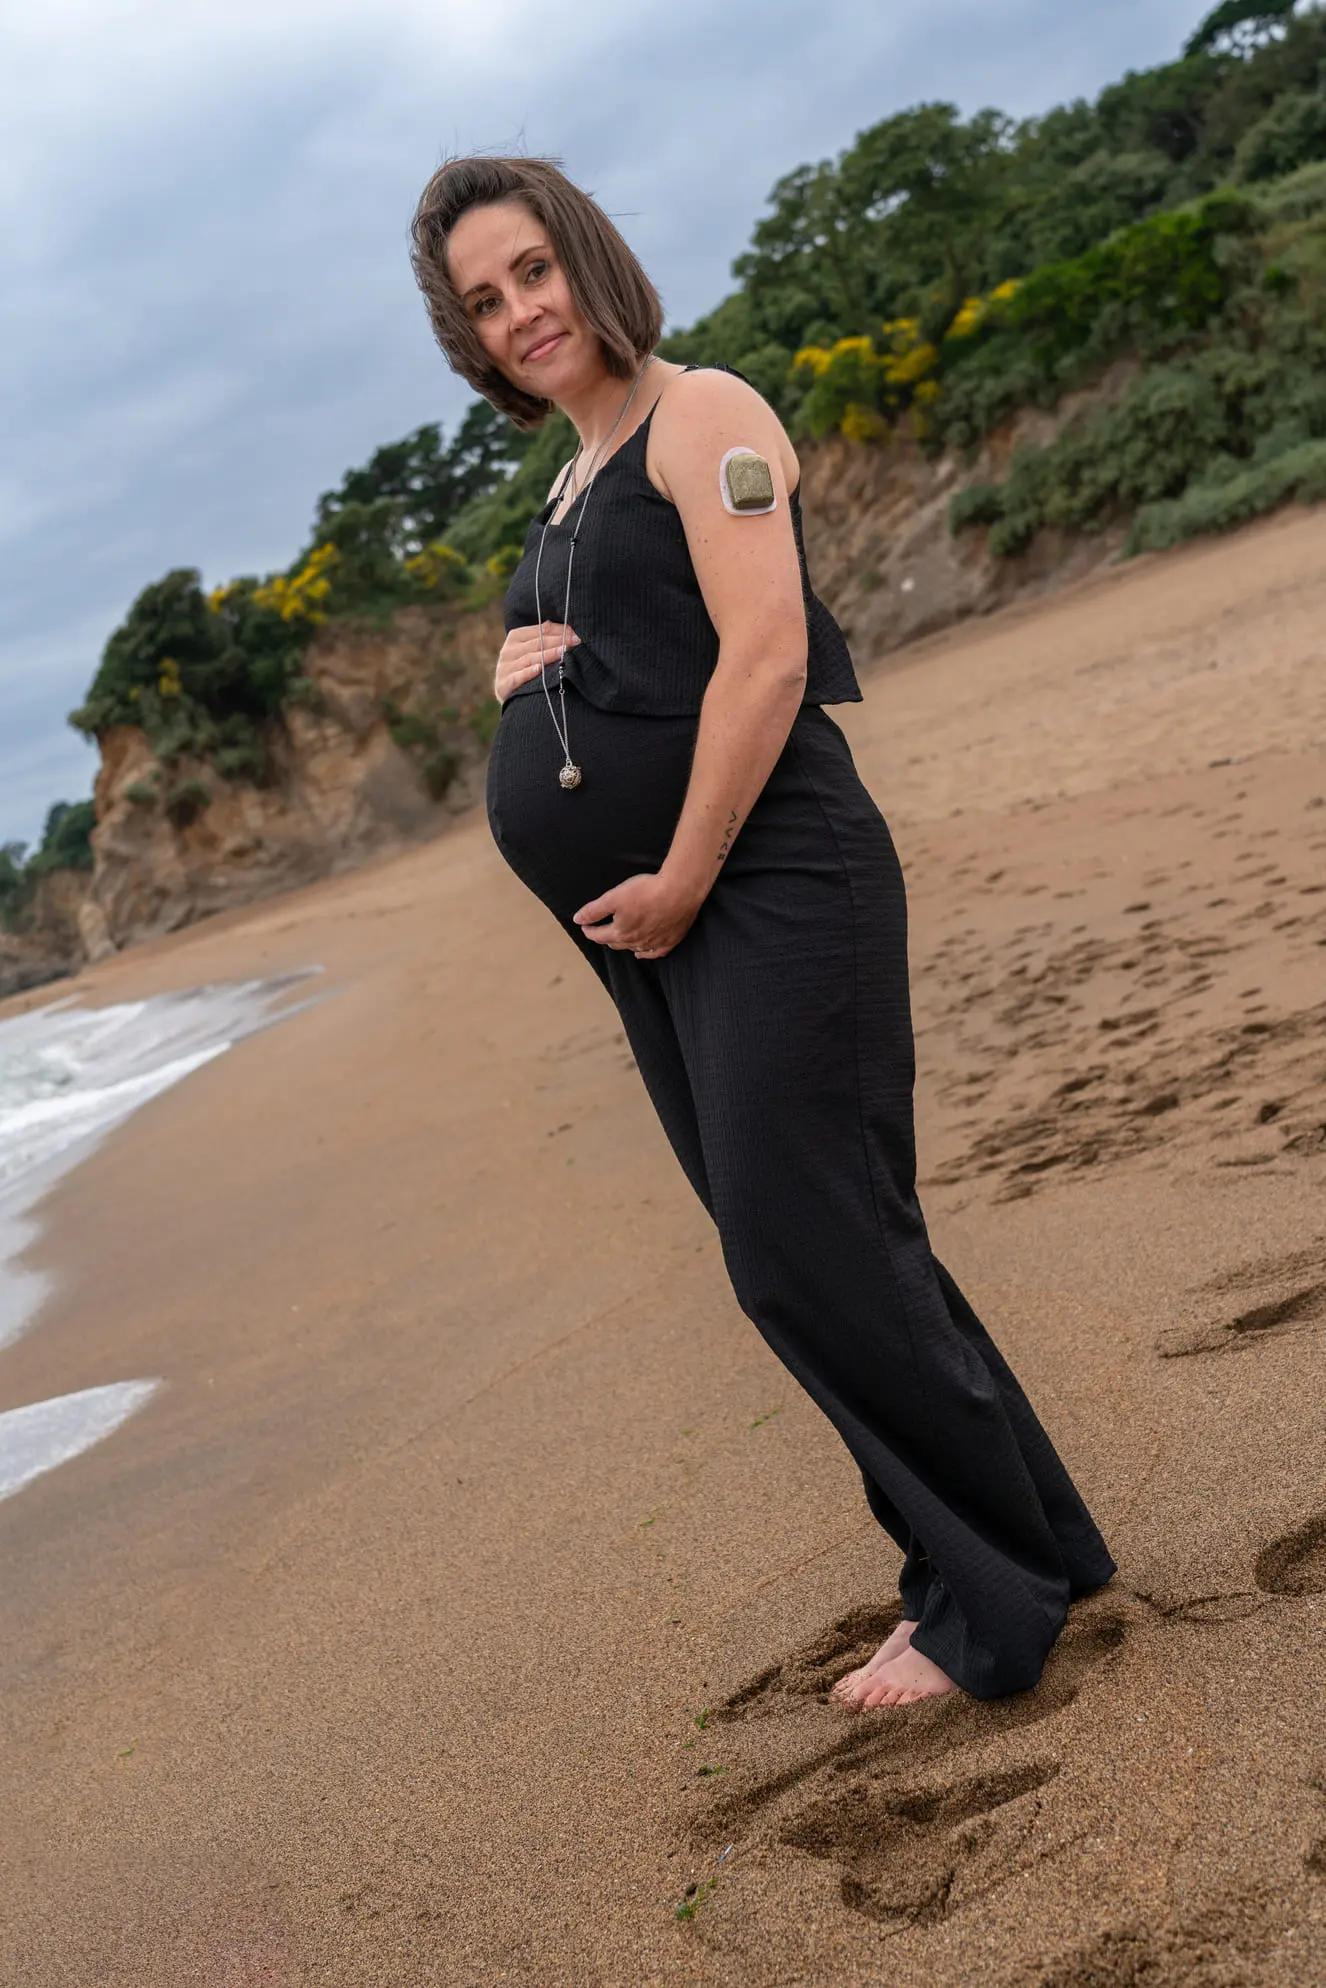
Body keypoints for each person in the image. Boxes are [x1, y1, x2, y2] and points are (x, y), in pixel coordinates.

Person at [409, 156, 1116, 1708]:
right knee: (817, 1248)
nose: (518, 312)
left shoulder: (703, 412)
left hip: (770, 882)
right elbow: (641, 659)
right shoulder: (572, 476)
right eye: (481, 299)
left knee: (814, 1252)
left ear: (584, 259)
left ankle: (982, 1606)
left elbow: (767, 662)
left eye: (531, 271)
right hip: (661, 929)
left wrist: (676, 872)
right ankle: (1027, 1548)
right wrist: (524, 681)